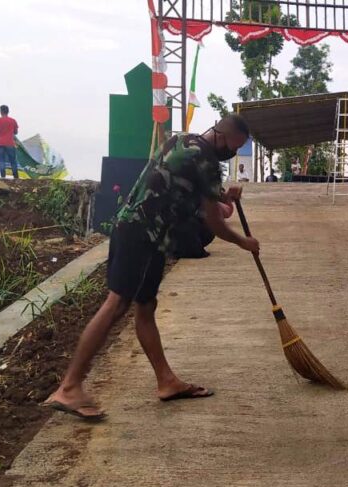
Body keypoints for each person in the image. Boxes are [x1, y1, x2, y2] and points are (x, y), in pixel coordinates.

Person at [43, 115, 260, 420]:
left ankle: (166, 381)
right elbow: (213, 220)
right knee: (117, 304)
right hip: (147, 236)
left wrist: (224, 194)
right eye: (233, 147)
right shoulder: (208, 162)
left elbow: (180, 182)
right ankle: (70, 387)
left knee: (145, 306)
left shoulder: (181, 141)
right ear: (223, 138)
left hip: (128, 227)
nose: (232, 153)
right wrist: (242, 242)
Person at [0, 105, 19, 179]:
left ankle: (3, 176)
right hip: (10, 143)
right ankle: (16, 176)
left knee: (1, 159)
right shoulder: (13, 121)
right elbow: (16, 132)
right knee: (13, 160)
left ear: (1, 111)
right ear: (8, 111)